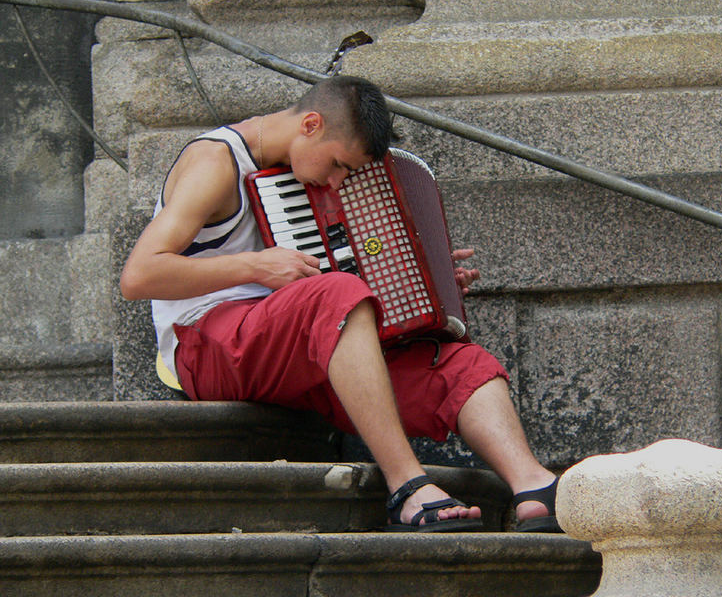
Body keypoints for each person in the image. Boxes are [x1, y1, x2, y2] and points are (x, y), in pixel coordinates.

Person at [120, 75, 561, 532]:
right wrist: (255, 267)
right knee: (338, 294)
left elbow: (339, 281)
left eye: (345, 173)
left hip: (295, 346)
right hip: (205, 345)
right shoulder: (214, 161)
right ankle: (407, 486)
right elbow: (139, 276)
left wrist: (424, 277)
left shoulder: (304, 168)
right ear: (310, 124)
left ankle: (531, 487)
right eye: (337, 164)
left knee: (458, 361)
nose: (336, 180)